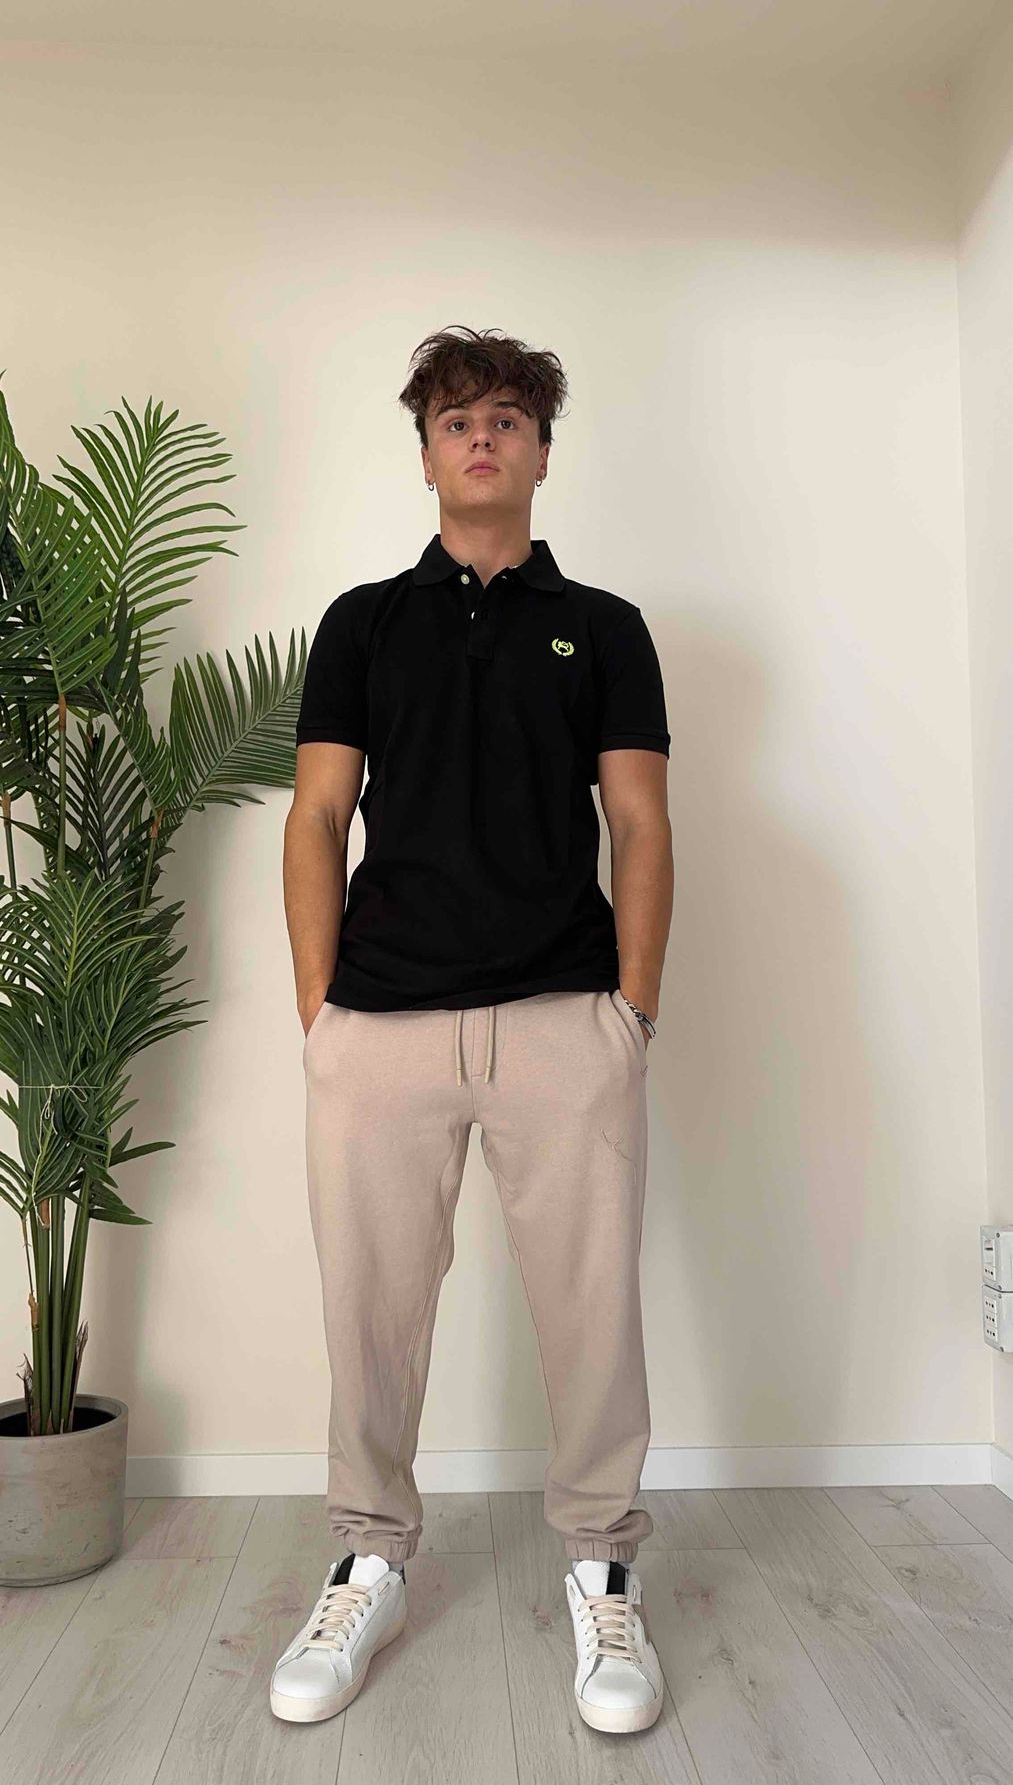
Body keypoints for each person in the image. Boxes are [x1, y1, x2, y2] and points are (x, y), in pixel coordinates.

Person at [275, 325, 674, 1736]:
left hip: (564, 1016)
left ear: (543, 451)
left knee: (592, 1311)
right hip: (380, 1024)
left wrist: (632, 1011)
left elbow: (639, 823)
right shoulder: (361, 623)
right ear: (427, 453)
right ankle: (366, 1559)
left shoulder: (605, 628)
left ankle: (603, 1568)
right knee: (366, 1312)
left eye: (507, 417)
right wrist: (318, 1012)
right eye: (457, 420)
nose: (482, 437)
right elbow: (317, 817)